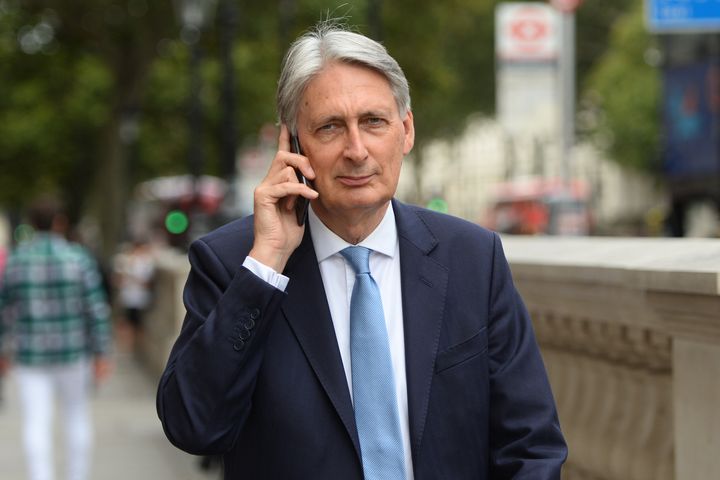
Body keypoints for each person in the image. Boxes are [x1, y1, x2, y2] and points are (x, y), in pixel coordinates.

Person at [157, 22, 567, 479]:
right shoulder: (233, 264)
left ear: (406, 130)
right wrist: (266, 264)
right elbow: (194, 426)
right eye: (330, 127)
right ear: (294, 143)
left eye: (374, 122)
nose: (357, 150)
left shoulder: (474, 257)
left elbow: (532, 445)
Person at [0, 195, 112, 480]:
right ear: (59, 222)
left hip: (30, 355)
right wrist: (101, 352)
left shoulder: (17, 260)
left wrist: (3, 351)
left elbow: (4, 311)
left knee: (35, 423)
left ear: (31, 223)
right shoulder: (78, 258)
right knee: (76, 417)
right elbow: (96, 309)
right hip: (74, 353)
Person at [112, 237, 156, 350]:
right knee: (127, 322)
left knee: (138, 323)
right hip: (129, 297)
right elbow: (117, 280)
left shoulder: (147, 262)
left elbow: (148, 283)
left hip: (140, 298)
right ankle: (129, 347)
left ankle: (137, 347)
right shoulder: (125, 260)